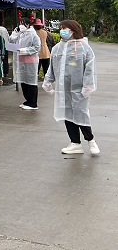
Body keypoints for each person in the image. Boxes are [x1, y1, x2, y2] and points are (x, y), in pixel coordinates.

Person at [42, 20, 99, 155]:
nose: (62, 31)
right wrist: (48, 81)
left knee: (81, 114)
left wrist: (88, 86)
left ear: (73, 30)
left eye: (65, 28)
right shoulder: (57, 48)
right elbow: (52, 66)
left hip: (79, 89)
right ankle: (75, 143)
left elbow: (89, 69)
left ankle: (91, 141)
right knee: (67, 114)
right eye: (61, 28)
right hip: (64, 89)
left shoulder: (84, 48)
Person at [10, 17, 42, 110]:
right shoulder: (20, 34)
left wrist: (24, 50)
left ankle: (33, 103)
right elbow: (11, 43)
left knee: (31, 82)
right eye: (19, 23)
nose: (21, 26)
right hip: (21, 61)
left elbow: (36, 48)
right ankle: (27, 100)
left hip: (30, 61)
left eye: (23, 24)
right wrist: (14, 34)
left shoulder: (33, 35)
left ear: (28, 25)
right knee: (23, 81)